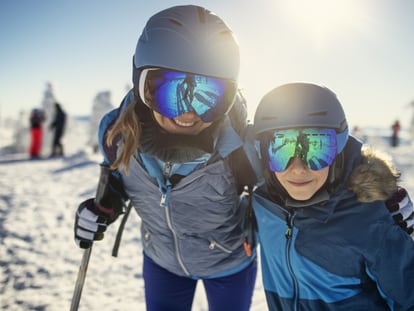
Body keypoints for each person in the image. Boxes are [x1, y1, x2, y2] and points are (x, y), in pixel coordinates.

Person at [74, 5, 258, 311]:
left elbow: (291, 193)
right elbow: (118, 182)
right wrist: (103, 208)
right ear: (142, 86)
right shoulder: (117, 136)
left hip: (230, 263)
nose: (188, 112)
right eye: (171, 91)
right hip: (163, 263)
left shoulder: (242, 148)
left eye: (207, 96)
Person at [251, 82, 414, 310]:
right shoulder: (263, 202)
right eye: (282, 148)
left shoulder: (371, 222)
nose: (297, 169)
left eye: (316, 148)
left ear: (339, 149)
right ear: (261, 152)